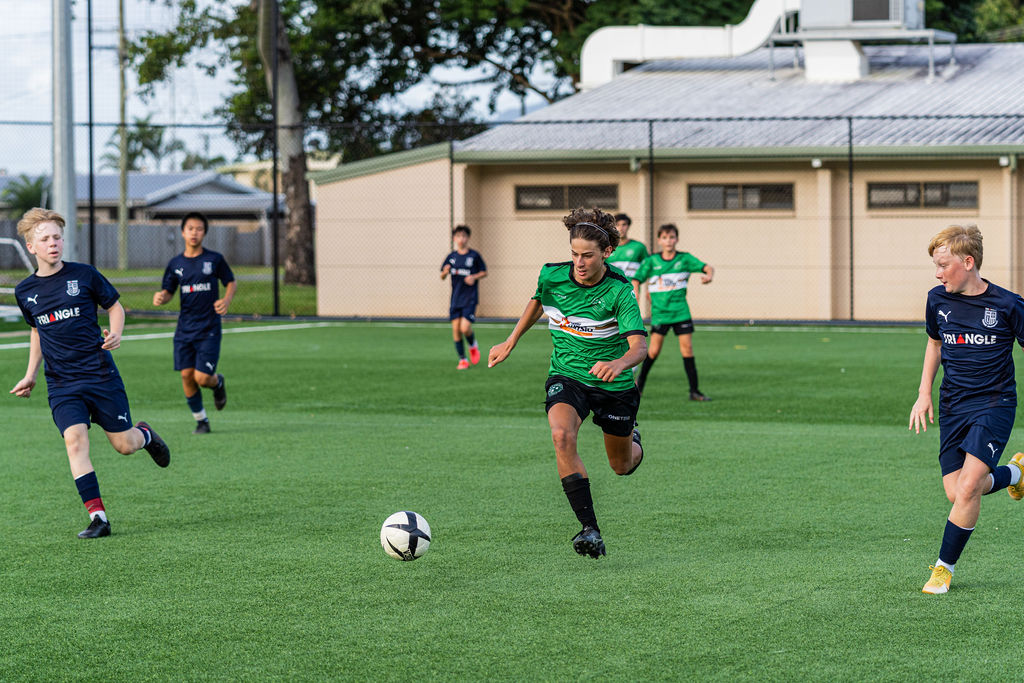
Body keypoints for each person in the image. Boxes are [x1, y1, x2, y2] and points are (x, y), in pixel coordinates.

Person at [488, 207, 647, 559]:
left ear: (606, 253)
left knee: (621, 466)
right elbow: (538, 302)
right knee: (561, 434)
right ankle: (590, 528)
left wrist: (618, 362)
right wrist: (510, 341)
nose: (579, 262)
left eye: (587, 255)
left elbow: (640, 347)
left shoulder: (620, 290)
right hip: (568, 374)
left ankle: (633, 436)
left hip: (614, 384)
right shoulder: (552, 275)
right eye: (574, 254)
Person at [9, 208, 171, 539]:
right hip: (62, 384)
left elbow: (114, 306)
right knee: (74, 439)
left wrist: (116, 333)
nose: (53, 243)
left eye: (57, 237)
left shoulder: (84, 275)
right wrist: (31, 374)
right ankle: (99, 518)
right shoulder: (25, 291)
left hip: (100, 376)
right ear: (30, 246)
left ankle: (146, 435)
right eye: (45, 239)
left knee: (124, 446)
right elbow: (37, 331)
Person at [910, 224, 1024, 594]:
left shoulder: (1008, 305)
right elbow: (934, 344)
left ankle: (943, 569)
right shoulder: (936, 300)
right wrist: (923, 392)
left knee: (969, 485)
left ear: (968, 262)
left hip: (995, 402)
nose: (938, 273)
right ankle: (1015, 474)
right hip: (953, 404)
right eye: (935, 266)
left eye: (943, 265)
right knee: (956, 491)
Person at [153, 212, 236, 434]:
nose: (194, 233)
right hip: (184, 329)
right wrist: (162, 297)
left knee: (201, 377)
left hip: (208, 328)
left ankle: (217, 383)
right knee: (186, 375)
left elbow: (230, 282)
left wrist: (226, 300)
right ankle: (202, 420)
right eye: (190, 228)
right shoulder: (175, 264)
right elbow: (169, 291)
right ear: (183, 232)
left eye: (199, 229)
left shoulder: (214, 260)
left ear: (204, 233)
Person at [631, 223, 714, 401]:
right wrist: (636, 290)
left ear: (676, 239)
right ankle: (639, 387)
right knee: (653, 351)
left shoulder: (684, 259)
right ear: (659, 240)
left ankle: (695, 391)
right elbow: (636, 279)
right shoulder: (652, 261)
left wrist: (708, 275)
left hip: (681, 312)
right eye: (665, 237)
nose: (668, 241)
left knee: (688, 350)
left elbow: (707, 267)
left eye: (672, 237)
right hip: (660, 314)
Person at [441, 225, 487, 369]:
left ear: (468, 238)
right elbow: (442, 275)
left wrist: (474, 277)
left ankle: (473, 345)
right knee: (456, 330)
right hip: (456, 299)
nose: (461, 239)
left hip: (470, 298)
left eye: (464, 236)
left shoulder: (474, 256)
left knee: (465, 328)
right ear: (454, 238)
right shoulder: (451, 257)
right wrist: (445, 272)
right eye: (458, 236)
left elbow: (484, 272)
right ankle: (463, 360)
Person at [607, 213, 648, 280]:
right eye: (617, 225)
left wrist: (637, 280)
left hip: (632, 288)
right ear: (613, 227)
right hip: (612, 288)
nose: (621, 228)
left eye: (624, 224)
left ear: (628, 226)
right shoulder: (607, 248)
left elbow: (647, 266)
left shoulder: (639, 247)